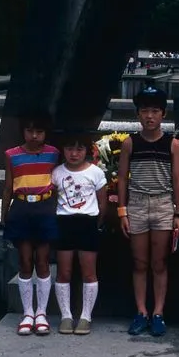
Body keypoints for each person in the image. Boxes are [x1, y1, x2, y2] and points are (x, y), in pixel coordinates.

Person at [117, 84, 179, 337]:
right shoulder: (130, 143)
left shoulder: (172, 144)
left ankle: (158, 312)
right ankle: (141, 311)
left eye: (155, 111)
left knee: (159, 262)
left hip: (162, 205)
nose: (150, 116)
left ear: (163, 114)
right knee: (139, 262)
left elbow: (177, 179)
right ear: (138, 114)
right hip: (136, 204)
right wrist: (122, 211)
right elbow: (122, 178)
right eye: (145, 111)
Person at [2, 113, 59, 336]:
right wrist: (4, 213)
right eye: (30, 131)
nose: (34, 136)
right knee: (25, 261)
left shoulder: (53, 153)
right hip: (21, 207)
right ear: (23, 131)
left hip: (45, 208)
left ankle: (41, 313)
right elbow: (8, 186)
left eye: (39, 131)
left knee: (43, 261)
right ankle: (27, 313)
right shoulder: (12, 155)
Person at [51, 133, 107, 335]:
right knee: (64, 272)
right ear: (63, 150)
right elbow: (53, 199)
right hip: (64, 223)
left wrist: (97, 224)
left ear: (87, 151)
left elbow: (102, 202)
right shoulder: (57, 172)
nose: (74, 154)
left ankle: (85, 316)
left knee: (88, 272)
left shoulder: (95, 172)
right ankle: (66, 316)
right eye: (69, 149)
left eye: (79, 149)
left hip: (87, 223)